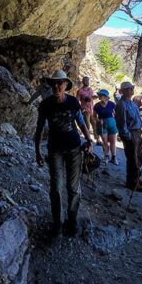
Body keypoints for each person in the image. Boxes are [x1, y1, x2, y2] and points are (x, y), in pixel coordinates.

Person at [34, 70, 93, 236]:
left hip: (74, 149)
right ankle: (57, 223)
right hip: (54, 151)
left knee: (73, 188)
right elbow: (38, 129)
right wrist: (37, 152)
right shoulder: (45, 105)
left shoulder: (73, 102)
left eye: (60, 83)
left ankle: (72, 221)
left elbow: (81, 122)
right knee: (56, 188)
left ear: (66, 85)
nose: (57, 86)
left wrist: (89, 140)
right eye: (54, 83)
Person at [115, 81, 142, 191]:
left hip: (137, 132)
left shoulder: (132, 103)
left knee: (138, 156)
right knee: (132, 158)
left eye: (131, 88)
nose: (131, 90)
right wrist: (127, 136)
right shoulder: (121, 104)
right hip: (131, 133)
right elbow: (121, 122)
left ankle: (137, 177)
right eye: (128, 89)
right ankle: (132, 183)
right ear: (122, 91)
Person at [95, 89, 118, 163]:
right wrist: (98, 120)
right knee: (104, 141)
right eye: (100, 95)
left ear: (106, 97)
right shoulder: (97, 105)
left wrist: (115, 120)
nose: (100, 96)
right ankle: (106, 156)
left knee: (113, 141)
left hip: (112, 123)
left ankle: (114, 157)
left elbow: (116, 113)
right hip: (101, 124)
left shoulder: (111, 104)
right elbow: (94, 116)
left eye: (102, 95)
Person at [76, 76, 99, 145]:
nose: (87, 82)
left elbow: (91, 98)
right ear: (83, 81)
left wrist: (94, 97)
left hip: (91, 109)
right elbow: (77, 101)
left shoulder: (90, 89)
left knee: (95, 125)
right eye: (86, 80)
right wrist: (81, 108)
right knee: (87, 125)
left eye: (88, 80)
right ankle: (87, 140)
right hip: (85, 110)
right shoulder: (80, 91)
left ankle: (98, 140)